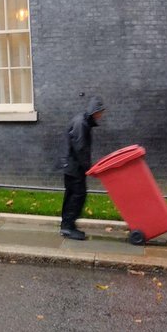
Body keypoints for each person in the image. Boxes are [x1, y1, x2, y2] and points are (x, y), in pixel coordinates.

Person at [60, 96, 105, 240]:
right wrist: (89, 168)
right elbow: (80, 149)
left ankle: (67, 225)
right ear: (94, 111)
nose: (101, 115)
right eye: (100, 112)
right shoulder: (81, 123)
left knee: (72, 195)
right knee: (78, 195)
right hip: (74, 167)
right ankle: (67, 227)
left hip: (72, 165)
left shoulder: (84, 121)